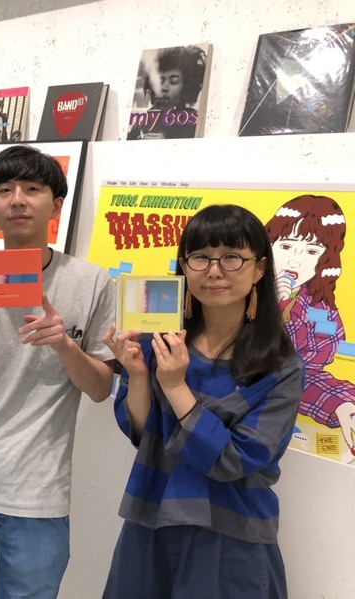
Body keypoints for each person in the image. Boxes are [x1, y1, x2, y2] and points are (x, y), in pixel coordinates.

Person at [0, 144, 116, 598]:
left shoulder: (91, 283)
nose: (17, 200)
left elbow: (99, 389)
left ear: (56, 204)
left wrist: (65, 345)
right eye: (4, 190)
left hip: (37, 493)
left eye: (32, 188)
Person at [102, 204, 304, 598]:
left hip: (229, 534)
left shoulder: (280, 366)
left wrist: (177, 387)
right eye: (200, 257)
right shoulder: (160, 339)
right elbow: (142, 434)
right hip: (150, 521)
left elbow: (234, 460)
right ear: (184, 266)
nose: (214, 271)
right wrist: (139, 376)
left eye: (232, 257)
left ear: (259, 269)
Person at [265, 194, 355, 458]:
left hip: (269, 436)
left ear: (326, 259)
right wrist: (272, 306)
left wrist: (343, 405)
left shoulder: (319, 312)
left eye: (312, 251)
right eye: (286, 246)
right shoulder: (232, 292)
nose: (295, 261)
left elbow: (303, 374)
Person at [127, 44, 208, 140]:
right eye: (160, 80)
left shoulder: (195, 123)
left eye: (173, 81)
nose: (164, 88)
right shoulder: (141, 124)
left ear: (186, 87)